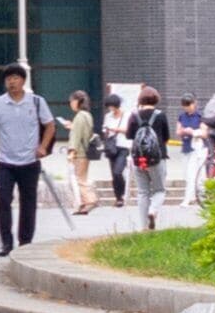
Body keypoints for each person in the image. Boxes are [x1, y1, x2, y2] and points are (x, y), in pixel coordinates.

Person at [0, 63, 47, 256]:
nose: (12, 82)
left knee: (28, 202)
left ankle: (25, 242)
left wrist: (42, 147)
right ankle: (6, 244)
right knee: (3, 201)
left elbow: (49, 125)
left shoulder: (36, 102)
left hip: (30, 162)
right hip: (5, 162)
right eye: (8, 79)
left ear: (23, 80)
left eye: (16, 78)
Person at [119, 85, 177, 230]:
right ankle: (153, 210)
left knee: (143, 192)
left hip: (138, 159)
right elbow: (166, 137)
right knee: (159, 190)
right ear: (156, 99)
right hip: (157, 158)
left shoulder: (134, 115)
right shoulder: (160, 115)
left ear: (140, 99)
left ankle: (143, 226)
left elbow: (129, 135)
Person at [62, 86, 105, 215]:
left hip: (80, 153)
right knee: (82, 178)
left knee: (79, 179)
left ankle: (91, 200)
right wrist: (72, 126)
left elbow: (76, 136)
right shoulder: (87, 115)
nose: (71, 104)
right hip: (86, 151)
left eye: (71, 101)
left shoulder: (80, 116)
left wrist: (71, 152)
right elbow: (82, 132)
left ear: (76, 101)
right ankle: (84, 203)